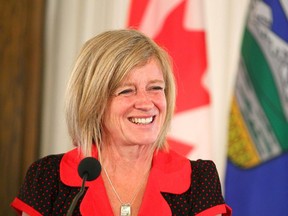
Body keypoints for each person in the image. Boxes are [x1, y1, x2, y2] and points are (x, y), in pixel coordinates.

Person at [11, 29, 231, 216]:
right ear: (93, 101)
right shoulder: (47, 178)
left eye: (155, 88)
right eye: (127, 91)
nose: (146, 103)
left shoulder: (199, 180)